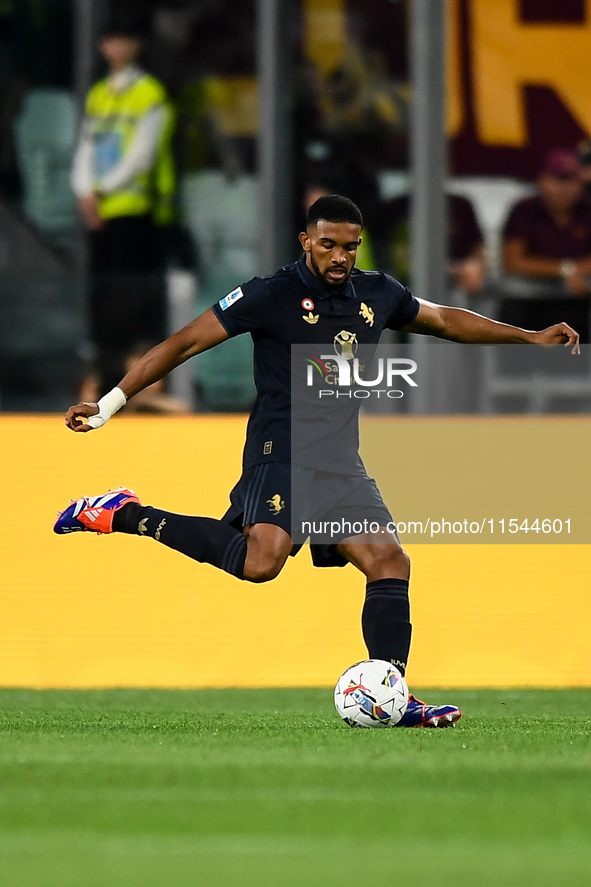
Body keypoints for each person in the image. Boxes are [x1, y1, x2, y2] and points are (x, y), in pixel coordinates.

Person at [54, 195, 579, 727]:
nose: (339, 258)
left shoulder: (378, 293)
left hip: (338, 459)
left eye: (349, 247)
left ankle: (392, 695)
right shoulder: (269, 295)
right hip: (280, 447)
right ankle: (123, 514)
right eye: (328, 245)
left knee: (389, 561)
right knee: (263, 562)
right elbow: (185, 343)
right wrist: (109, 404)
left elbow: (444, 320)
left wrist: (528, 337)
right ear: (306, 240)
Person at [71, 18, 177, 404]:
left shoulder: (149, 93)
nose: (116, 47)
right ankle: (108, 375)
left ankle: (137, 381)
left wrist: (96, 190)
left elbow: (142, 156)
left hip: (137, 212)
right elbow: (85, 145)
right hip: (101, 213)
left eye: (124, 37)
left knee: (133, 301)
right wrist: (84, 192)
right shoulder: (99, 93)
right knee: (102, 301)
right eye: (111, 38)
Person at [501, 148, 591, 341]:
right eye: (557, 179)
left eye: (570, 180)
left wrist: (580, 270)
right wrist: (566, 269)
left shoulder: (587, 210)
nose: (563, 188)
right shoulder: (525, 209)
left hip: (577, 306)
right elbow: (512, 261)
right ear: (542, 180)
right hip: (528, 307)